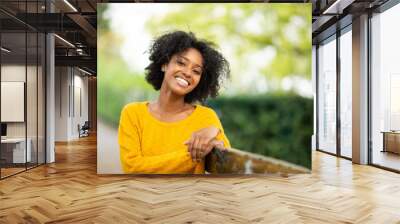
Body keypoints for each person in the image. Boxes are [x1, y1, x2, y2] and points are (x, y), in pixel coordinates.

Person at [118, 30, 231, 174]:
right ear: (165, 64)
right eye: (181, 62)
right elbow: (132, 168)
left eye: (196, 71)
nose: (188, 73)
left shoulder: (206, 117)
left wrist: (215, 131)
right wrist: (192, 155)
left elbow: (227, 166)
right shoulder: (133, 113)